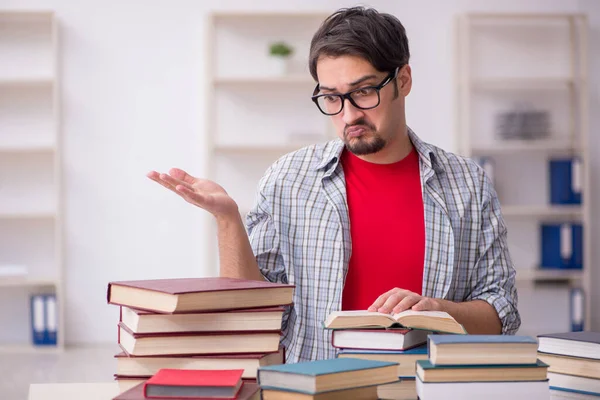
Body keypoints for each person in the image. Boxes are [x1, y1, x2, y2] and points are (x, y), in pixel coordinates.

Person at [147, 6, 520, 363]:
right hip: (313, 388)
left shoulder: (467, 184)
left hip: (424, 388)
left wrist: (441, 311)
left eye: (363, 91)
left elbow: (502, 312)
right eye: (331, 97)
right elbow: (252, 311)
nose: (348, 115)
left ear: (402, 81)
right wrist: (227, 219)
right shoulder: (288, 178)